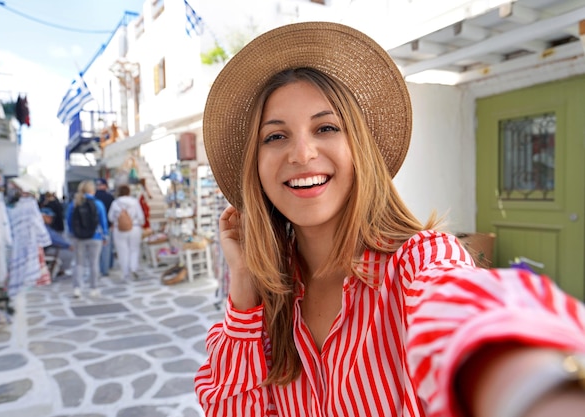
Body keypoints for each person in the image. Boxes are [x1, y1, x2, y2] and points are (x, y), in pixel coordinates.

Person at [194, 22, 585, 417]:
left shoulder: (419, 261)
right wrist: (244, 284)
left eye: (326, 127)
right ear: (256, 168)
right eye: (275, 136)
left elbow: (468, 316)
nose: (302, 153)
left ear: (360, 150)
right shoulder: (268, 302)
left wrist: (538, 386)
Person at [65, 180, 108, 298]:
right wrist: (105, 235)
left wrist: (72, 235)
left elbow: (69, 222)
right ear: (92, 190)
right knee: (94, 263)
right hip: (96, 237)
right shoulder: (98, 204)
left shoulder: (74, 204)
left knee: (78, 263)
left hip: (78, 238)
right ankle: (93, 288)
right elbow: (103, 221)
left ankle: (77, 288)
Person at [108, 184, 145, 281]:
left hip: (119, 229)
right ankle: (133, 268)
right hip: (135, 228)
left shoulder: (115, 203)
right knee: (134, 249)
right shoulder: (134, 202)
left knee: (122, 251)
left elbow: (110, 217)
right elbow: (141, 217)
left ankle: (125, 273)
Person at [40, 207, 72, 277]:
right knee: (68, 253)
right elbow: (54, 239)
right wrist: (67, 245)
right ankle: (60, 270)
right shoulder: (43, 227)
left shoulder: (45, 226)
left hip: (46, 248)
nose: (51, 219)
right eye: (49, 217)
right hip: (46, 250)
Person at [95, 178, 115, 276]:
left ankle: (98, 267)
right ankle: (106, 268)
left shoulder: (93, 197)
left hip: (94, 227)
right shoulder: (109, 197)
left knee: (97, 249)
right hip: (107, 225)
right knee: (107, 247)